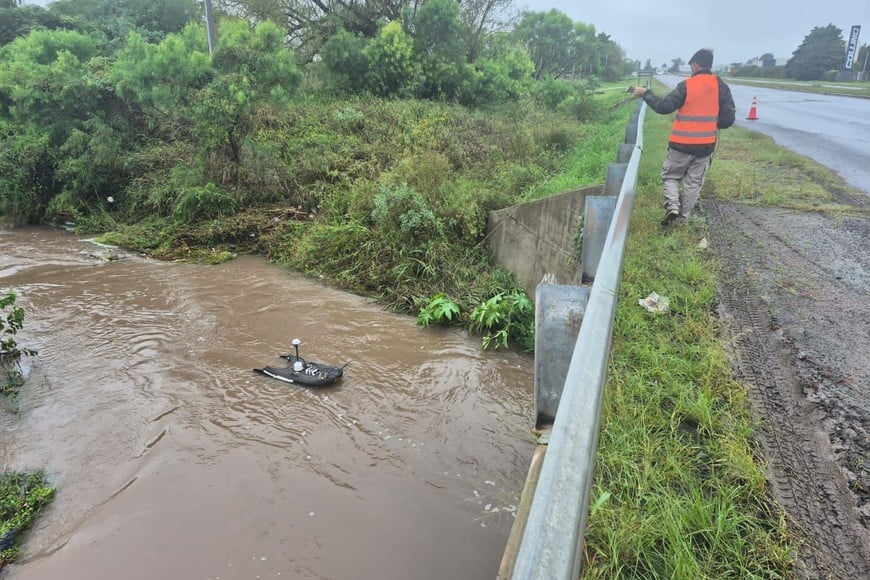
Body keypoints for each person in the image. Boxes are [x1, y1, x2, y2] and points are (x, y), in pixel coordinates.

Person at [631, 49, 735, 226]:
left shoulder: (686, 86)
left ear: (695, 66)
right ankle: (683, 219)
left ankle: (672, 206)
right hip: (705, 147)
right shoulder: (721, 86)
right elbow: (728, 119)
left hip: (680, 145)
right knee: (693, 183)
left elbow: (664, 107)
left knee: (671, 176)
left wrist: (646, 93)